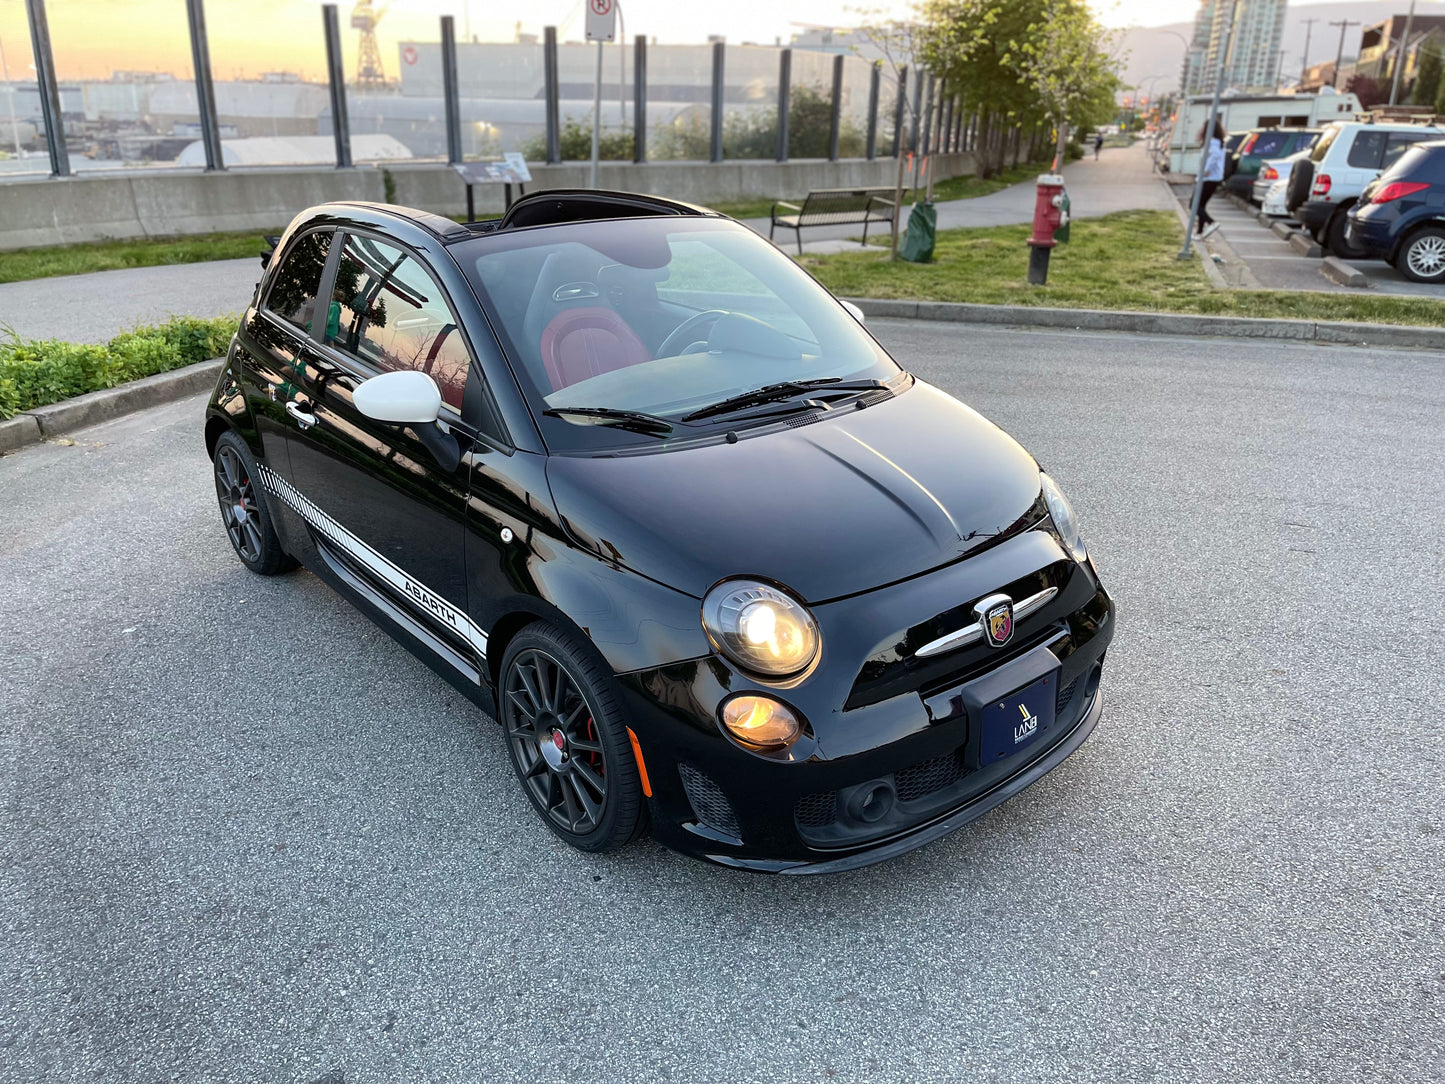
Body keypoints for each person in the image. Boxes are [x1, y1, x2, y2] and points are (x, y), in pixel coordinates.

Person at [1194, 119, 1226, 240]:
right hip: (1213, 178)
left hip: (1208, 178)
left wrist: (1206, 170)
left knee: (1194, 205)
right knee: (1201, 205)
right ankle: (1200, 232)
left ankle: (1211, 222)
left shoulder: (1212, 142)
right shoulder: (1218, 141)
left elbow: (1215, 155)